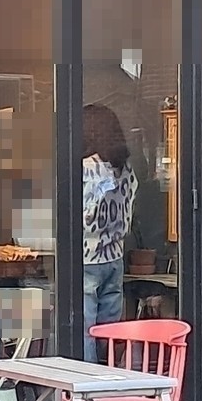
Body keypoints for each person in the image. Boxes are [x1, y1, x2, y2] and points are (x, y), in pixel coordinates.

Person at [82, 104, 138, 363]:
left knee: (84, 331)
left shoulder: (85, 168)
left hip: (86, 256)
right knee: (108, 330)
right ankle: (108, 376)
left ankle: (87, 380)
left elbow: (82, 215)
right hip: (114, 256)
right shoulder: (124, 168)